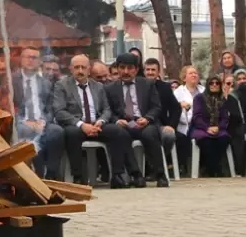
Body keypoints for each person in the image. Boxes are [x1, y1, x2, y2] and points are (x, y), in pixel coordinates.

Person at [52, 54, 131, 188]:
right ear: (71, 69)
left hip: (97, 124)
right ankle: (78, 177)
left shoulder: (98, 86)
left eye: (83, 67)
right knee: (71, 134)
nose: (80, 71)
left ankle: (117, 175)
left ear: (89, 70)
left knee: (118, 131)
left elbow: (107, 109)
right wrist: (82, 125)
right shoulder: (62, 85)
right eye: (76, 67)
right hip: (76, 125)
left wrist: (101, 121)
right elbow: (59, 111)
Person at [103, 53, 166, 187]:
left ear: (136, 70)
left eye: (130, 68)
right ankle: (135, 174)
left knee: (149, 134)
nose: (126, 71)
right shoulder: (109, 88)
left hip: (144, 123)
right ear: (117, 69)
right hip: (124, 124)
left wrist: (147, 118)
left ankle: (160, 175)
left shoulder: (147, 84)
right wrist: (116, 120)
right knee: (121, 134)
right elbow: (108, 110)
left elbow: (156, 107)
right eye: (122, 68)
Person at [13, 47, 66, 181]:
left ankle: (52, 175)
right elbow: (7, 107)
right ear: (21, 59)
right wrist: (23, 122)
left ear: (39, 62)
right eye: (28, 57)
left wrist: (43, 121)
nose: (31, 60)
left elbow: (50, 108)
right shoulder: (11, 80)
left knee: (57, 131)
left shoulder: (45, 83)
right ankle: (36, 174)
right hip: (19, 122)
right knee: (26, 130)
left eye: (34, 57)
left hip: (41, 122)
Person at [144, 58, 181, 179]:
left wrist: (171, 125)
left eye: (153, 70)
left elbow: (176, 108)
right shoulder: (138, 86)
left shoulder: (165, 87)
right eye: (148, 70)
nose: (150, 72)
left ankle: (156, 165)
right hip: (143, 125)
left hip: (161, 125)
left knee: (169, 136)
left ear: (158, 72)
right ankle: (149, 168)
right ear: (144, 71)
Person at [190, 76, 231, 177]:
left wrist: (219, 127)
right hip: (202, 127)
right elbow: (197, 117)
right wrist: (207, 128)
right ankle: (212, 170)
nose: (214, 85)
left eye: (217, 83)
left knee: (223, 139)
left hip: (218, 128)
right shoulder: (199, 98)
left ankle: (213, 168)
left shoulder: (223, 99)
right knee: (206, 141)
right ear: (207, 85)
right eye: (211, 83)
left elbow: (225, 117)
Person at [173, 66, 205, 177]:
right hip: (185, 124)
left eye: (195, 73)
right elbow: (176, 112)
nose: (194, 75)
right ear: (184, 77)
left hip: (203, 124)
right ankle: (186, 167)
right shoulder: (178, 92)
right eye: (191, 73)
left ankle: (203, 167)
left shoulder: (203, 90)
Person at [222, 73, 246, 177]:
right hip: (226, 126)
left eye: (233, 84)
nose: (231, 86)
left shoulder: (241, 96)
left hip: (239, 125)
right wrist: (226, 97)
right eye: (228, 83)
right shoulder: (222, 97)